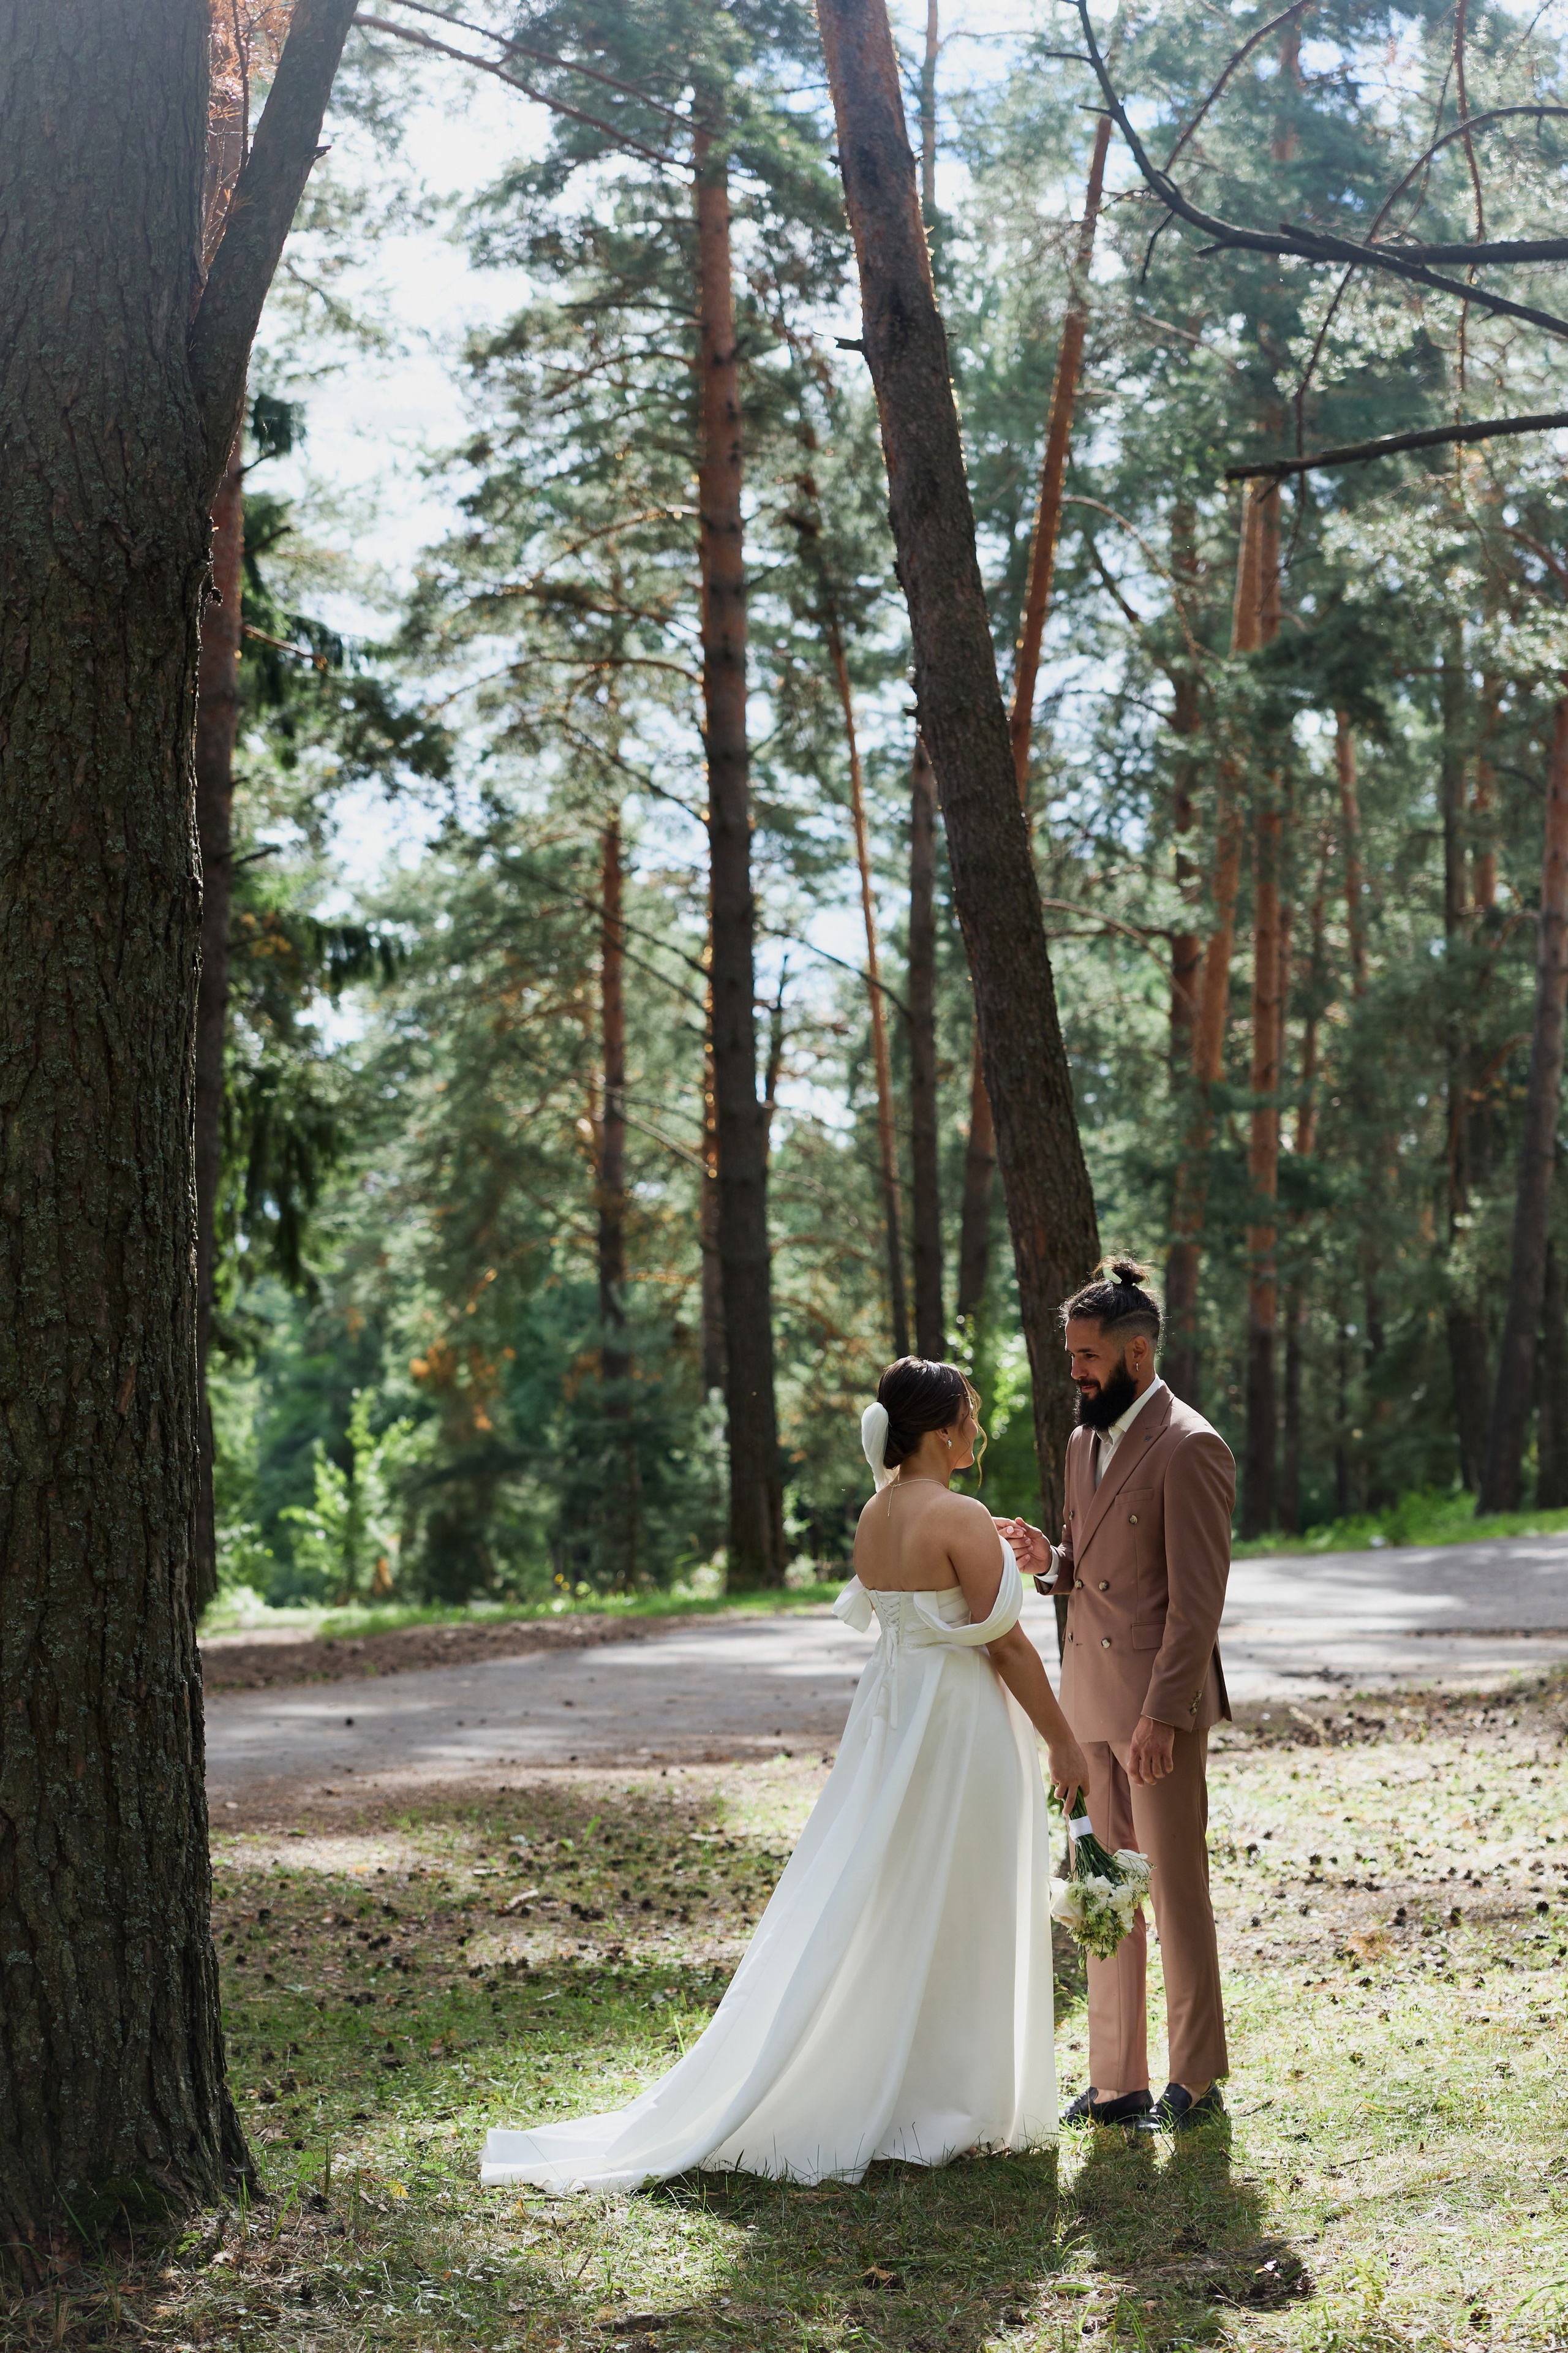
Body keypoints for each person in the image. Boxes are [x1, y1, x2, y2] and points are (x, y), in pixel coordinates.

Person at [480, 1356, 1089, 2192]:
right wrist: (1064, 1740)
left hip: (892, 1715)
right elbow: (1007, 1642)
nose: (977, 1430)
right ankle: (951, 2096)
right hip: (953, 1724)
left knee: (890, 1890)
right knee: (961, 1890)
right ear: (944, 1430)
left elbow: (911, 1617)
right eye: (971, 1417)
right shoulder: (959, 1513)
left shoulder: (876, 1513)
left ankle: (914, 2084)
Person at [998, 1260, 1235, 2135]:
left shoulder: (1192, 1445)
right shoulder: (1078, 1442)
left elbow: (1195, 1604)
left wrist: (1162, 1717)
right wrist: (1046, 1561)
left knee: (1174, 1890)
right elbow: (1089, 1566)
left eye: (1089, 1355)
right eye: (1072, 1356)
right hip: (1088, 1703)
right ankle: (1116, 2080)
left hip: (1157, 1715)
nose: (1078, 1372)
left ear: (1139, 1351)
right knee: (1101, 1888)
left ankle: (1196, 2077)